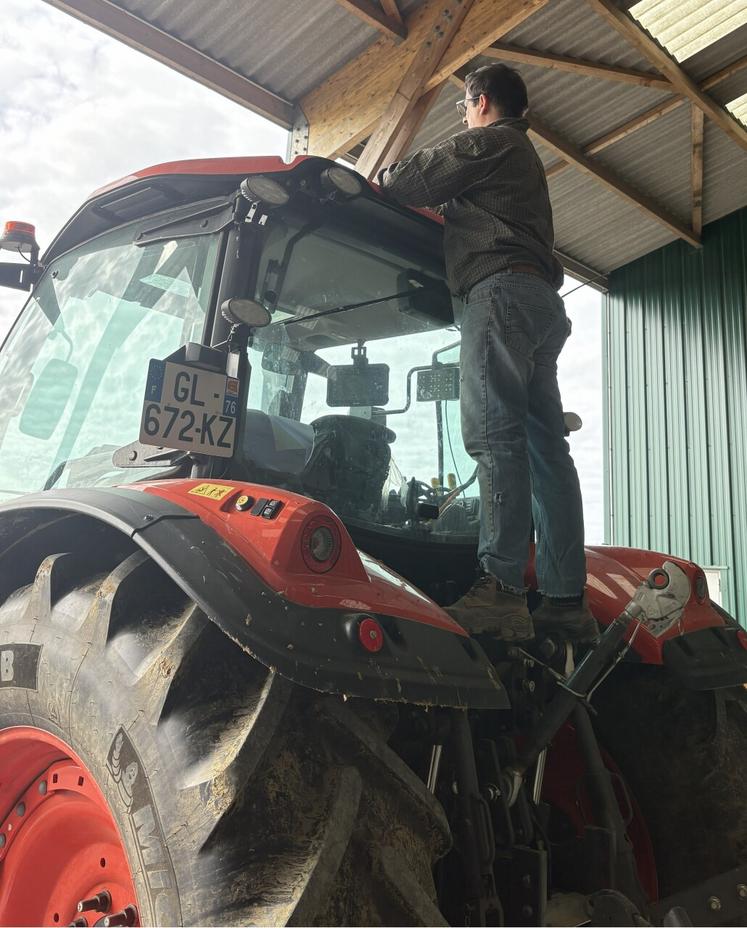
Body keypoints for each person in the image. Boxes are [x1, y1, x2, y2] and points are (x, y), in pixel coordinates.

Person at [377, 63, 597, 643]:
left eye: (462, 105)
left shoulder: (491, 141)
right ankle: (564, 598)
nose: (464, 113)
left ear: (479, 101)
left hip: (497, 294)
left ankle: (499, 589)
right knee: (547, 449)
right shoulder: (525, 166)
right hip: (540, 303)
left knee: (494, 436)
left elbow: (403, 182)